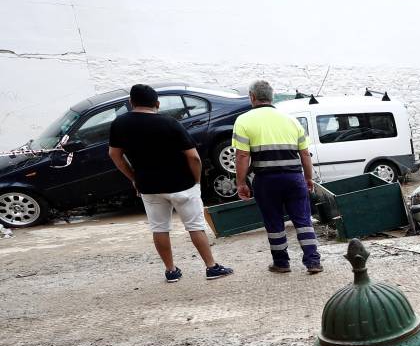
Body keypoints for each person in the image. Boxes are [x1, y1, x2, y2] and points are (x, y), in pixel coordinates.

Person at [108, 84, 233, 283]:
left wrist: (134, 178)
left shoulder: (119, 124)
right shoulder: (170, 123)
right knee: (195, 227)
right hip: (182, 184)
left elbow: (115, 155)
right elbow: (194, 158)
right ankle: (211, 267)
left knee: (159, 228)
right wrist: (197, 182)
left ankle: (171, 270)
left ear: (131, 103)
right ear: (157, 103)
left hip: (148, 186)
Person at [231, 80, 322, 274]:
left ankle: (282, 263)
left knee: (274, 222)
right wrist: (308, 178)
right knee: (303, 220)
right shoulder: (291, 120)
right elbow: (305, 154)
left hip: (266, 180)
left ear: (252, 97)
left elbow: (242, 155)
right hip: (294, 178)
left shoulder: (244, 120)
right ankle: (313, 262)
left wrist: (241, 183)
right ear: (271, 97)